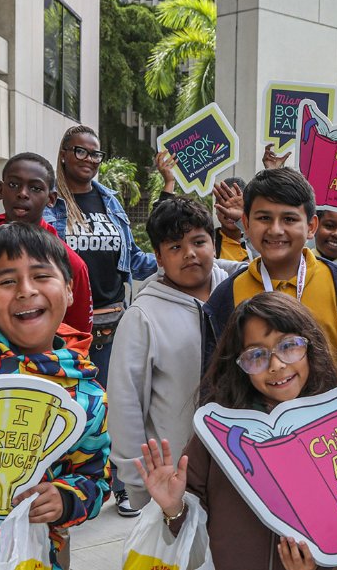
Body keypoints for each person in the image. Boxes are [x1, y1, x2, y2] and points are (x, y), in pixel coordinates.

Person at [135, 292, 337, 570]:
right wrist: (173, 508)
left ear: (311, 346)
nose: (277, 365)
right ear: (239, 365)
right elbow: (188, 529)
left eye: (289, 346)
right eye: (256, 355)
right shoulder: (218, 434)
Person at [0, 222, 110, 569]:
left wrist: (66, 498)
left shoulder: (85, 395)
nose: (26, 291)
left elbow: (94, 478)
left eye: (42, 276)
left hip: (26, 557)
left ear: (70, 290)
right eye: (6, 281)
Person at [44, 124, 157, 517]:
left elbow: (134, 261)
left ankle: (121, 485)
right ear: (63, 153)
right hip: (63, 331)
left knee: (116, 410)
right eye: (81, 152)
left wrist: (178, 253)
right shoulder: (50, 204)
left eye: (95, 154)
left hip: (113, 326)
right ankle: (61, 487)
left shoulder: (109, 201)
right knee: (67, 408)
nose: (90, 160)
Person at [107, 196, 239, 513]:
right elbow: (126, 404)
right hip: (177, 479)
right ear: (159, 257)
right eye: (175, 247)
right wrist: (138, 481)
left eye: (198, 242)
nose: (190, 253)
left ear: (214, 244)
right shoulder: (143, 316)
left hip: (242, 466)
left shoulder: (239, 291)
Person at [202, 167, 337, 380]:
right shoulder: (224, 297)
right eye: (264, 218)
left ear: (311, 226)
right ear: (246, 223)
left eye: (289, 219)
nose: (275, 230)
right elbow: (216, 384)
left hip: (336, 412)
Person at [0, 152, 93, 334]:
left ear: (51, 199)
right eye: (13, 185)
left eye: (35, 188)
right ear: (0, 190)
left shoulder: (71, 263)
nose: (22, 194)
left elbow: (78, 334)